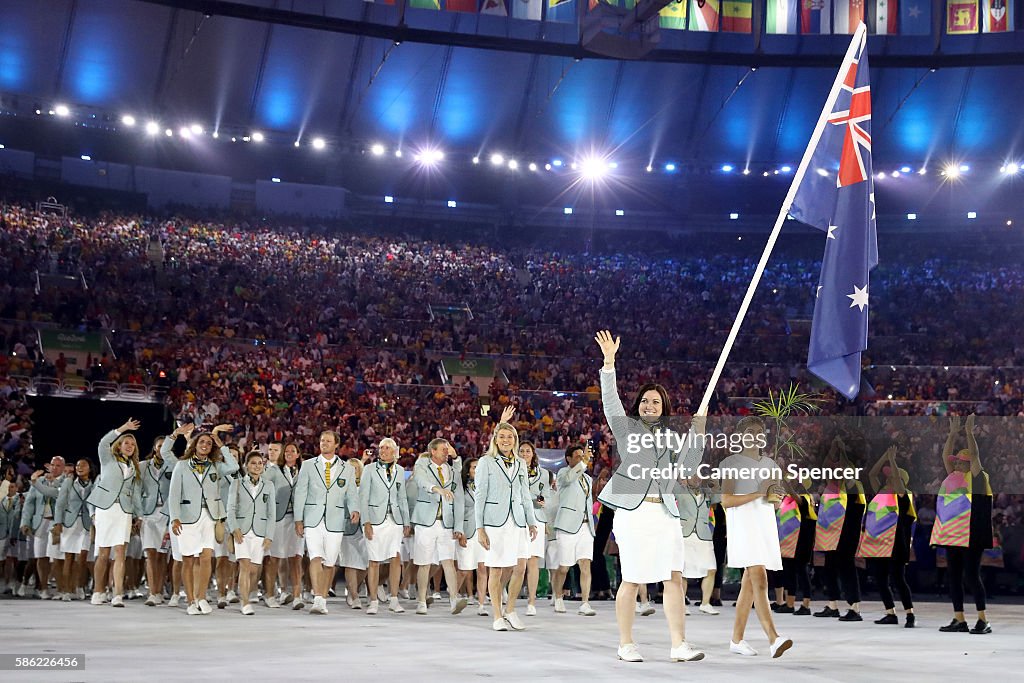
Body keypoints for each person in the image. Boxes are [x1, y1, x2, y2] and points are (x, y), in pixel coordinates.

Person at [594, 330, 705, 663]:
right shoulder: (627, 429)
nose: (649, 405)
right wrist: (609, 363)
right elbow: (610, 401)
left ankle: (679, 644)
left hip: (666, 514)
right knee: (632, 579)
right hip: (634, 513)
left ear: (664, 407)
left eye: (655, 401)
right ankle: (626, 643)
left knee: (674, 578)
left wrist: (699, 433)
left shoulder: (672, 437)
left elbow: (688, 467)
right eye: (645, 401)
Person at [720, 416, 792, 659]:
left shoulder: (771, 465)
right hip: (743, 527)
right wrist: (758, 492)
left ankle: (736, 639)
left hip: (763, 526)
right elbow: (727, 500)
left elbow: (773, 504)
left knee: (749, 585)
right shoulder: (731, 463)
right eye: (749, 432)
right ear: (740, 436)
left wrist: (777, 496)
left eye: (759, 432)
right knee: (759, 578)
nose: (754, 436)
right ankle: (773, 638)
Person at [474, 411, 537, 632]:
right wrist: (480, 528)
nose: (506, 440)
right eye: (502, 436)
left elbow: (525, 494)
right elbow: (479, 496)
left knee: (520, 567)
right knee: (496, 569)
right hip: (494, 522)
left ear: (515, 440)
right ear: (495, 439)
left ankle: (510, 610)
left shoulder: (520, 463)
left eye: (510, 437)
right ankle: (497, 615)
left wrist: (531, 521)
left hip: (517, 521)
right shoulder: (486, 462)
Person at [931, 414, 993, 634]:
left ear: (968, 464)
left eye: (959, 461)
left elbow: (974, 456)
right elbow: (944, 456)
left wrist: (968, 433)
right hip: (952, 534)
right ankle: (959, 619)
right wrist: (951, 434)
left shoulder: (977, 478)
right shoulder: (954, 478)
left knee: (971, 576)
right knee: (954, 577)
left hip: (971, 534)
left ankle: (983, 620)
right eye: (955, 461)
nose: (955, 463)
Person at [168, 424, 239, 616]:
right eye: (202, 442)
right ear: (195, 444)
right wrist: (175, 518)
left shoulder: (215, 465)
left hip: (210, 516)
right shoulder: (182, 465)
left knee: (206, 557)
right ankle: (191, 601)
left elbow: (234, 466)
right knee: (188, 559)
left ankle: (202, 597)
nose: (205, 445)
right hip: (187, 518)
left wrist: (221, 444)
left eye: (208, 443)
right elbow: (174, 494)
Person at [293, 430, 359, 615]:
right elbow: (300, 493)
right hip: (313, 519)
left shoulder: (347, 468)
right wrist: (298, 519)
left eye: (328, 441)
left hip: (335, 520)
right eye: (322, 440)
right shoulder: (308, 465)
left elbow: (351, 493)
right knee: (315, 557)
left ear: (336, 444)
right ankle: (318, 598)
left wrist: (354, 509)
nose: (324, 443)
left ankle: (322, 598)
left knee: (329, 562)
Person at [858, 445, 915, 627]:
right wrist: (885, 456)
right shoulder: (881, 492)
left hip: (895, 544)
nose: (888, 478)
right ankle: (890, 613)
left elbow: (897, 480)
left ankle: (909, 614)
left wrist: (892, 460)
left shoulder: (903, 496)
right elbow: (872, 475)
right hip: (876, 543)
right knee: (880, 579)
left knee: (898, 580)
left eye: (891, 477)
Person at [89, 419, 144, 609]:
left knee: (120, 552)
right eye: (126, 443)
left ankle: (117, 594)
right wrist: (123, 429)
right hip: (105, 509)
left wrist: (139, 516)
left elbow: (135, 494)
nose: (129, 446)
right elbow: (103, 443)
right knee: (104, 553)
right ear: (119, 446)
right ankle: (98, 591)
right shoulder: (108, 459)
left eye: (132, 444)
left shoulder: (134, 468)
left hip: (124, 511)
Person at [411, 438, 467, 616]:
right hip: (426, 522)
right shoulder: (422, 465)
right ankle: (421, 600)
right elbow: (421, 480)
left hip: (446, 523)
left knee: (448, 561)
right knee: (424, 563)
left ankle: (454, 600)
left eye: (447, 449)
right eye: (443, 449)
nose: (446, 452)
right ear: (433, 451)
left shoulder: (452, 471)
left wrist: (458, 526)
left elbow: (459, 499)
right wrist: (437, 489)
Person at [813, 436, 866, 621]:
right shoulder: (831, 487)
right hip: (830, 533)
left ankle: (855, 608)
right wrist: (833, 448)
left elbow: (844, 469)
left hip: (847, 533)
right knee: (829, 567)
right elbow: (826, 466)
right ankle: (832, 605)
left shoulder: (853, 486)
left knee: (847, 567)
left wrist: (842, 450)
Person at [359, 437, 411, 615]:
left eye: (387, 448)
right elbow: (363, 497)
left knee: (395, 558)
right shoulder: (369, 469)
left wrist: (406, 521)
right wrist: (366, 522)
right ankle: (373, 601)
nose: (383, 450)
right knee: (374, 561)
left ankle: (394, 599)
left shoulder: (400, 470)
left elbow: (402, 498)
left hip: (394, 520)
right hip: (375, 520)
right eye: (381, 448)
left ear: (395, 451)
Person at [227, 450, 276, 615]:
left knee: (254, 569)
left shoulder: (269, 485)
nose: (257, 466)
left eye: (260, 463)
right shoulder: (237, 483)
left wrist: (269, 536)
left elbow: (271, 513)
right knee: (245, 566)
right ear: (246, 466)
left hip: (260, 532)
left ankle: (245, 593)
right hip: (242, 531)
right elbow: (230, 509)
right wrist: (234, 528)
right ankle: (245, 602)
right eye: (253, 463)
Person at [552, 443, 597, 617]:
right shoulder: (563, 474)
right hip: (567, 526)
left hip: (586, 526)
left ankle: (585, 603)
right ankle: (558, 597)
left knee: (585, 564)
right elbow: (569, 479)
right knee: (564, 567)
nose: (581, 459)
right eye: (577, 457)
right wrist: (583, 462)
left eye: (582, 456)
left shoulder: (588, 479)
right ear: (568, 459)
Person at [264, 442, 303, 609]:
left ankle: (297, 596)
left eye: (292, 451)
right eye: (286, 451)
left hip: (298, 520)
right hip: (279, 519)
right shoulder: (274, 470)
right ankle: (270, 595)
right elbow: (263, 488)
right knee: (274, 558)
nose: (289, 453)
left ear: (298, 454)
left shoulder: (304, 471)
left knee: (296, 558)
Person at [22, 456, 66, 600]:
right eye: (53, 465)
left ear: (63, 467)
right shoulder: (40, 481)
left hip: (56, 523)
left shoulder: (66, 482)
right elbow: (29, 503)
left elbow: (55, 494)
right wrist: (25, 522)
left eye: (58, 465)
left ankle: (61, 588)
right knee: (40, 556)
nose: (55, 468)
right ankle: (43, 588)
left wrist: (50, 482)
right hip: (40, 522)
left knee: (56, 557)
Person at [51, 459, 94, 601]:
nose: (79, 467)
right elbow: (60, 504)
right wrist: (58, 522)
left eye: (83, 465)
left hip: (86, 524)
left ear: (90, 468)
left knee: (82, 558)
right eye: (77, 465)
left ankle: (78, 586)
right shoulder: (69, 482)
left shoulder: (94, 483)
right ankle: (66, 590)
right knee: (68, 558)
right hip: (70, 523)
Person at [138, 435, 174, 606]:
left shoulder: (173, 465)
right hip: (148, 513)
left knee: (162, 555)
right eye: (159, 446)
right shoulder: (142, 466)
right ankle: (152, 592)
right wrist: (138, 515)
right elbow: (136, 491)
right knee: (150, 554)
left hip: (166, 514)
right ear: (154, 448)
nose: (161, 449)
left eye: (165, 446)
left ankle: (160, 590)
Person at [677, 475, 718, 616]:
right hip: (685, 534)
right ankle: (681, 605)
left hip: (704, 534)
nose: (697, 478)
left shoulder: (708, 492)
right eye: (693, 475)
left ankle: (705, 603)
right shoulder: (680, 490)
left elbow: (720, 499)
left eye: (699, 475)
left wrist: (715, 484)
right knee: (683, 571)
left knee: (711, 569)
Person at [777, 470, 815, 616]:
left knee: (802, 571)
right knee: (789, 572)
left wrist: (784, 480)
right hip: (787, 542)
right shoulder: (786, 500)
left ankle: (806, 604)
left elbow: (795, 496)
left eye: (793, 481)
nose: (790, 484)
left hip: (801, 542)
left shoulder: (805, 498)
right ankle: (790, 604)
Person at [520, 441, 551, 617]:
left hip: (537, 518)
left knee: (533, 561)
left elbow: (545, 495)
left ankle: (531, 601)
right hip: (518, 518)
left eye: (528, 451)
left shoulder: (544, 474)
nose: (525, 454)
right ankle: (505, 593)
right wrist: (533, 497)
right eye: (522, 451)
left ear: (533, 454)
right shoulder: (512, 471)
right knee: (517, 562)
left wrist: (542, 501)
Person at [456, 458, 488, 616]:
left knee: (482, 568)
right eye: (474, 467)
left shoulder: (487, 486)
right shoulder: (461, 488)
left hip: (483, 532)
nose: (477, 469)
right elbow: (458, 510)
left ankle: (481, 605)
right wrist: (459, 531)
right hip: (467, 531)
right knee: (464, 570)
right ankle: (453, 597)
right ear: (468, 471)